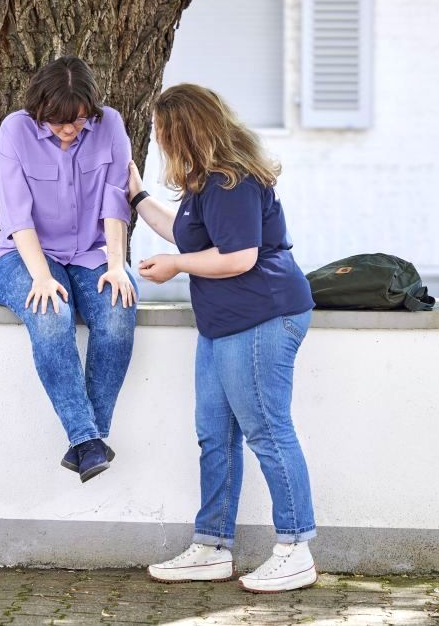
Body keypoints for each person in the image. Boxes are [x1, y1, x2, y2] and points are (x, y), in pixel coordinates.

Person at [130, 84, 318, 594]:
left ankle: (296, 548)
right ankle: (211, 547)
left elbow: (240, 258)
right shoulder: (204, 185)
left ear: (184, 132)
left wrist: (174, 267)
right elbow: (188, 236)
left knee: (267, 431)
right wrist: (137, 195)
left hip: (260, 318)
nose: (159, 141)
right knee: (215, 433)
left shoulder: (231, 183)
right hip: (222, 324)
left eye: (162, 133)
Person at [0, 56, 137, 483]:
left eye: (77, 120)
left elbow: (114, 202)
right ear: (40, 109)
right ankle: (86, 439)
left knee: (119, 307)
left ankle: (89, 439)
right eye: (57, 121)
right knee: (50, 313)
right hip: (23, 255)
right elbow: (18, 216)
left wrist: (117, 266)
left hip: (91, 252)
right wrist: (42, 276)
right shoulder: (15, 130)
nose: (69, 130)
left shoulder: (111, 127)